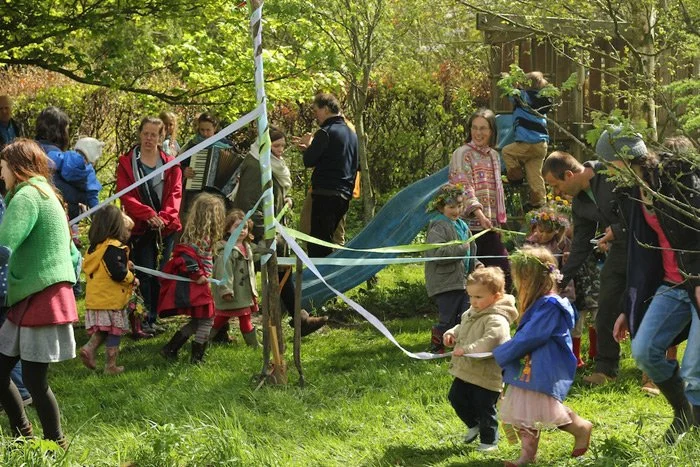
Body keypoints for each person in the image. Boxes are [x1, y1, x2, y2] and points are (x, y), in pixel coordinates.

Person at [606, 132, 700, 443]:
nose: (607, 170)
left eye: (610, 163)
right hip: (672, 284)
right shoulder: (634, 191)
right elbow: (641, 256)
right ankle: (684, 412)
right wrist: (626, 306)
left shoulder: (676, 183)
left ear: (624, 159)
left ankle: (695, 439)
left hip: (697, 282)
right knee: (644, 351)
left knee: (694, 370)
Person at [0, 138, 80, 448]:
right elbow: (74, 255)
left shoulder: (26, 196)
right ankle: (24, 437)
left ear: (16, 168)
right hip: (37, 295)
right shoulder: (47, 193)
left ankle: (55, 445)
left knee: (34, 380)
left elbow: (4, 246)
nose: (1, 174)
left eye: (3, 168)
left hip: (41, 297)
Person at [494, 247, 593, 466]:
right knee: (526, 411)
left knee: (545, 410)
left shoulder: (550, 306)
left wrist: (502, 352)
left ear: (532, 279)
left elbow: (532, 336)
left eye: (521, 278)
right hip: (531, 366)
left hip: (542, 366)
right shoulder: (542, 303)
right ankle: (527, 456)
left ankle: (581, 427)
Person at [542, 150, 631, 385]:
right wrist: (560, 280)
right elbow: (581, 243)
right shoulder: (580, 203)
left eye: (555, 186)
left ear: (569, 175)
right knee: (606, 304)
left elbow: (641, 210)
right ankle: (606, 369)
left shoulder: (610, 174)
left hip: (647, 247)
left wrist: (619, 230)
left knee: (646, 303)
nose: (555, 193)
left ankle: (651, 374)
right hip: (620, 250)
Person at [230, 126, 327, 338]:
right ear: (265, 144)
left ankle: (297, 317)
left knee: (280, 270)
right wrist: (264, 234)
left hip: (271, 230)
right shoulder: (256, 166)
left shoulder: (271, 163)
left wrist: (286, 200)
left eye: (283, 145)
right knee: (249, 278)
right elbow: (249, 204)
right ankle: (299, 318)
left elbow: (270, 195)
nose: (281, 150)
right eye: (276, 145)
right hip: (255, 235)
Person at [117, 116, 182, 335]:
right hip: (141, 228)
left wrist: (164, 217)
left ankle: (154, 316)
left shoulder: (171, 165)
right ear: (140, 134)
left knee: (161, 273)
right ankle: (141, 320)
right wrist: (148, 215)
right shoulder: (127, 163)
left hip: (166, 228)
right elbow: (126, 195)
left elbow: (175, 194)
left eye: (154, 134)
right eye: (146, 133)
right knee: (144, 274)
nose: (149, 138)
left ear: (161, 137)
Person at [443, 267, 518, 452]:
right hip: (466, 370)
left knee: (485, 407)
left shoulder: (497, 318)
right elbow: (463, 326)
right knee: (455, 397)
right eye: (471, 296)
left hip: (486, 374)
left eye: (478, 297)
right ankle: (473, 424)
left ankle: (489, 441)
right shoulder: (472, 311)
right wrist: (451, 333)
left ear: (496, 296)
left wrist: (466, 349)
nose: (473, 302)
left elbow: (491, 340)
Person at [158, 192, 225, 363]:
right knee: (208, 320)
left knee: (198, 321)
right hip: (197, 286)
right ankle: (197, 357)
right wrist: (199, 275)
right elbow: (186, 258)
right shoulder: (200, 238)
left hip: (199, 285)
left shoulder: (202, 237)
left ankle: (170, 349)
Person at [449, 108, 511, 290]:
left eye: (483, 128)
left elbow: (496, 188)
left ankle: (495, 314)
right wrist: (479, 214)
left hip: (490, 225)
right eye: (474, 128)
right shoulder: (462, 154)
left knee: (501, 273)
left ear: (492, 131)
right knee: (476, 277)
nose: (478, 133)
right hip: (471, 226)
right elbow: (463, 186)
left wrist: (498, 220)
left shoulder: (493, 155)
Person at [293, 93, 358, 258]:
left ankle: (319, 281)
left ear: (327, 109)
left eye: (316, 111)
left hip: (325, 194)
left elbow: (309, 161)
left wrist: (308, 146)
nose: (315, 116)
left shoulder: (325, 132)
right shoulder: (352, 134)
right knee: (332, 242)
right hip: (344, 194)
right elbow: (354, 165)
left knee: (318, 245)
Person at [79, 205, 139, 375]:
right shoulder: (114, 247)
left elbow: (106, 267)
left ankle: (89, 349)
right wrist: (132, 278)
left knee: (104, 330)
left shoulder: (95, 248)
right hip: (111, 300)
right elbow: (118, 273)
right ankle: (110, 366)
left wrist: (124, 264)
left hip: (96, 299)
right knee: (115, 332)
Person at [424, 183, 479, 353]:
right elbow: (438, 253)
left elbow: (471, 250)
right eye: (451, 207)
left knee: (465, 315)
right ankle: (438, 344)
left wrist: (476, 264)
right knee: (447, 318)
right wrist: (462, 248)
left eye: (460, 206)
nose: (456, 210)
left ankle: (460, 345)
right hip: (445, 281)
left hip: (463, 281)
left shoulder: (462, 225)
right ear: (441, 207)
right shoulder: (439, 226)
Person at [523, 206, 580, 366]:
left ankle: (565, 356)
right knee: (537, 323)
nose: (540, 235)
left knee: (562, 325)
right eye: (538, 230)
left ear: (555, 232)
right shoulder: (531, 243)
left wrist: (567, 258)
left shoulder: (563, 244)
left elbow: (567, 269)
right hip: (537, 291)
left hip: (561, 291)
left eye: (545, 232)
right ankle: (534, 355)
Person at [210, 209, 266, 348]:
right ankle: (203, 340)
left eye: (245, 227)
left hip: (244, 293)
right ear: (228, 228)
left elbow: (258, 253)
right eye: (237, 226)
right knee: (220, 319)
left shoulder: (247, 247)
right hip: (232, 292)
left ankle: (254, 346)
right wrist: (225, 290)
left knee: (244, 318)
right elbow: (223, 271)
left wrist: (270, 242)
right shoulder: (226, 250)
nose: (242, 230)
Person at [35, 107, 103, 220]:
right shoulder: (58, 156)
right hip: (61, 213)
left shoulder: (31, 150)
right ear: (60, 132)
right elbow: (60, 187)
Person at [502, 71, 553, 209]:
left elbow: (510, 93)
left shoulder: (523, 97)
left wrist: (507, 79)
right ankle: (539, 204)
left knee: (507, 152)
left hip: (528, 143)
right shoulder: (541, 101)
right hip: (541, 145)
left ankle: (516, 177)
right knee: (535, 175)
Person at [0, 194, 32, 408]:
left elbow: (5, 247)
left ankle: (20, 390)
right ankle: (19, 390)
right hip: (5, 284)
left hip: (2, 285)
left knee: (6, 344)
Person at [180, 112, 235, 214]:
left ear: (215, 128)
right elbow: (178, 165)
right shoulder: (193, 145)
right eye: (202, 130)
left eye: (208, 130)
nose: (205, 134)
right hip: (196, 193)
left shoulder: (227, 146)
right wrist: (184, 170)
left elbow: (235, 167)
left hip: (220, 195)